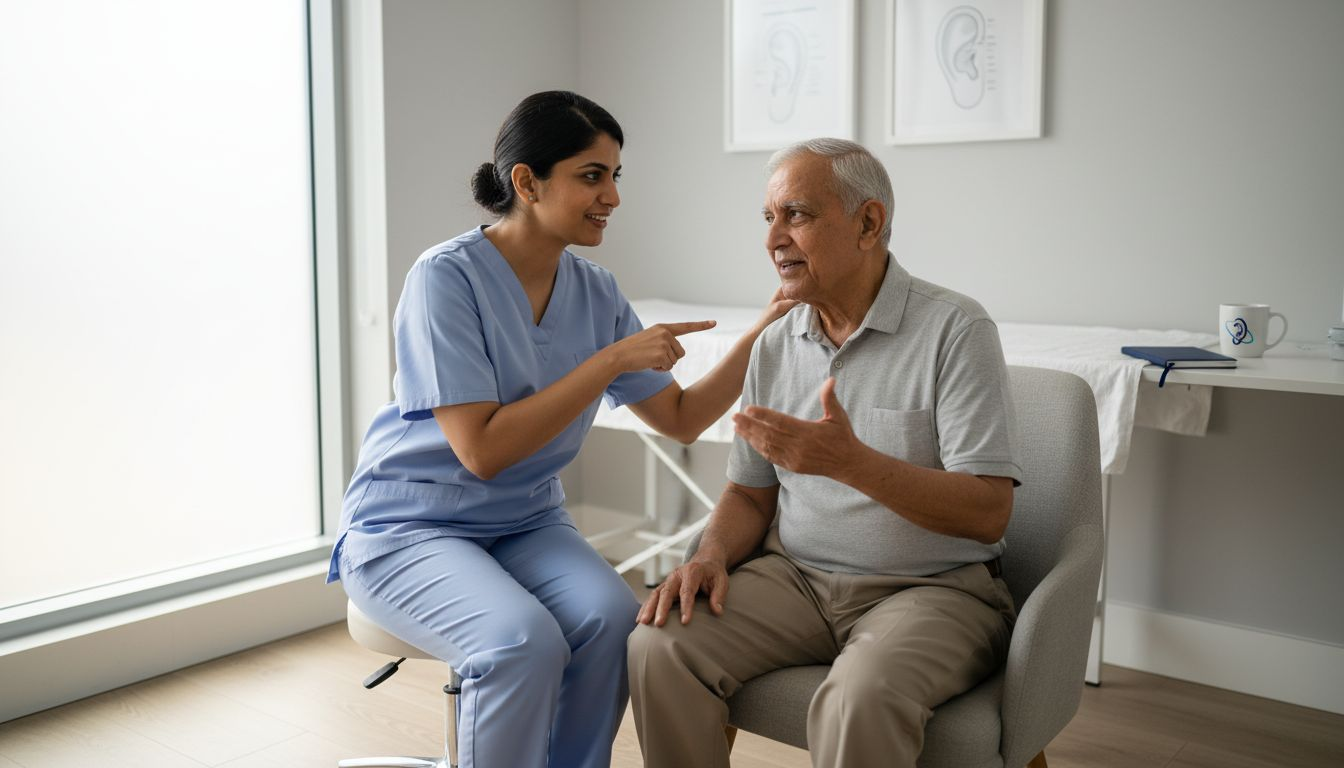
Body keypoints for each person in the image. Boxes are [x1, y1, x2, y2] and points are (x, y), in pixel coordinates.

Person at [327, 91, 793, 768]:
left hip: (525, 521)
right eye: (591, 175)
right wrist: (608, 361)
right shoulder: (445, 279)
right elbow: (482, 451)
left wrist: (765, 327)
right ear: (527, 181)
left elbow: (683, 419)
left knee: (612, 623)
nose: (612, 195)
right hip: (411, 525)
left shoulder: (595, 290)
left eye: (615, 176)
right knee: (522, 642)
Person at [626, 138, 1023, 768]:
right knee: (658, 645)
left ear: (869, 223)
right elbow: (749, 492)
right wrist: (708, 554)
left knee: (857, 696)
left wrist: (851, 463)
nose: (773, 238)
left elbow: (988, 513)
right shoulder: (775, 344)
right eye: (768, 218)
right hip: (797, 580)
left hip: (933, 590)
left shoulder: (957, 329)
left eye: (798, 215)